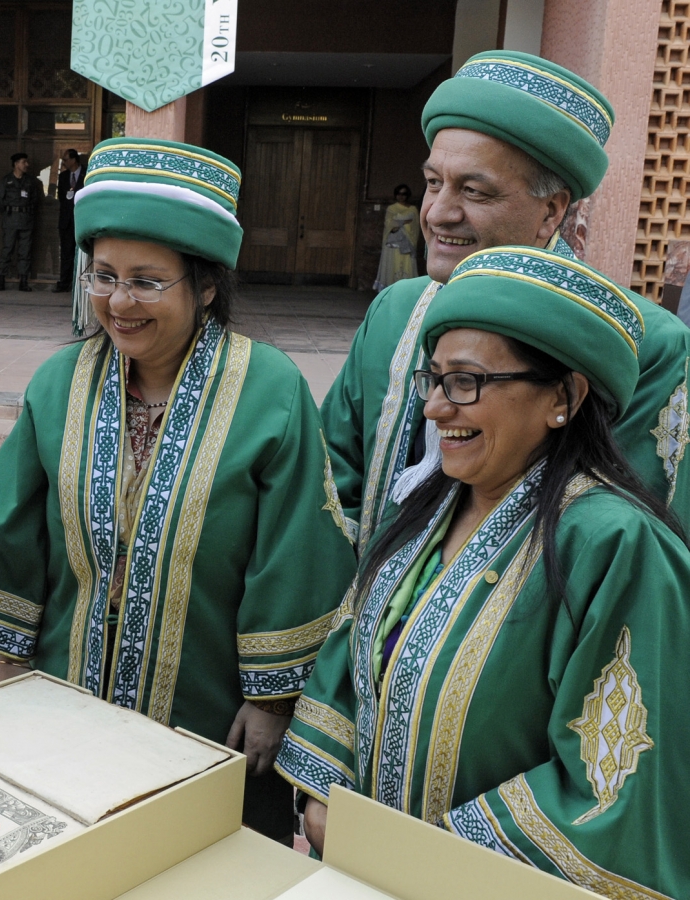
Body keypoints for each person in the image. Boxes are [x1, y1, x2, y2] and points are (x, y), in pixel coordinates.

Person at [0, 138, 358, 843]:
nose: (119, 302)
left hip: (211, 715)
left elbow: (295, 555)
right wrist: (11, 667)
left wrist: (274, 703)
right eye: (102, 276)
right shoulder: (58, 384)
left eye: (146, 281)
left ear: (207, 286)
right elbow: (11, 532)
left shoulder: (270, 390)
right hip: (65, 700)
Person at [278, 247, 690, 898]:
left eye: (466, 383)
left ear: (564, 396)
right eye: (433, 380)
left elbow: (615, 787)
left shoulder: (614, 545)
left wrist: (420, 858)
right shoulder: (427, 510)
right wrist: (327, 803)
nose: (437, 409)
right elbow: (347, 664)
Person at [323, 51, 690, 557]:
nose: (439, 213)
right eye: (434, 183)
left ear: (551, 212)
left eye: (474, 191)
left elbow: (629, 548)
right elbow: (331, 486)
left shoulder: (642, 341)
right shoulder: (394, 311)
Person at [0, 151, 43, 291]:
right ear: (16, 164)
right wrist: (8, 211)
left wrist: (28, 213)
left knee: (25, 251)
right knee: (7, 249)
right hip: (10, 220)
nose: (26, 165)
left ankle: (23, 281)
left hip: (26, 220)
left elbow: (35, 200)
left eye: (26, 162)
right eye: (23, 162)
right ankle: (1, 280)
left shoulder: (30, 181)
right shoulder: (6, 180)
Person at [372, 184, 418, 290]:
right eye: (398, 193)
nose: (401, 196)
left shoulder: (413, 209)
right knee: (392, 266)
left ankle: (406, 290)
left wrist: (399, 221)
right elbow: (391, 226)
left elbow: (415, 227)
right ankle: (390, 289)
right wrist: (405, 222)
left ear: (408, 195)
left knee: (406, 266)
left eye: (404, 194)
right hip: (393, 245)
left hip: (408, 244)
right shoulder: (391, 209)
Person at [54, 148, 85, 291]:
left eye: (66, 160)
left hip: (81, 220)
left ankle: (80, 284)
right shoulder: (63, 177)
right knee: (66, 253)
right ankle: (64, 282)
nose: (64, 162)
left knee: (82, 254)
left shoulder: (86, 175)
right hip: (66, 221)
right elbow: (61, 198)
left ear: (74, 160)